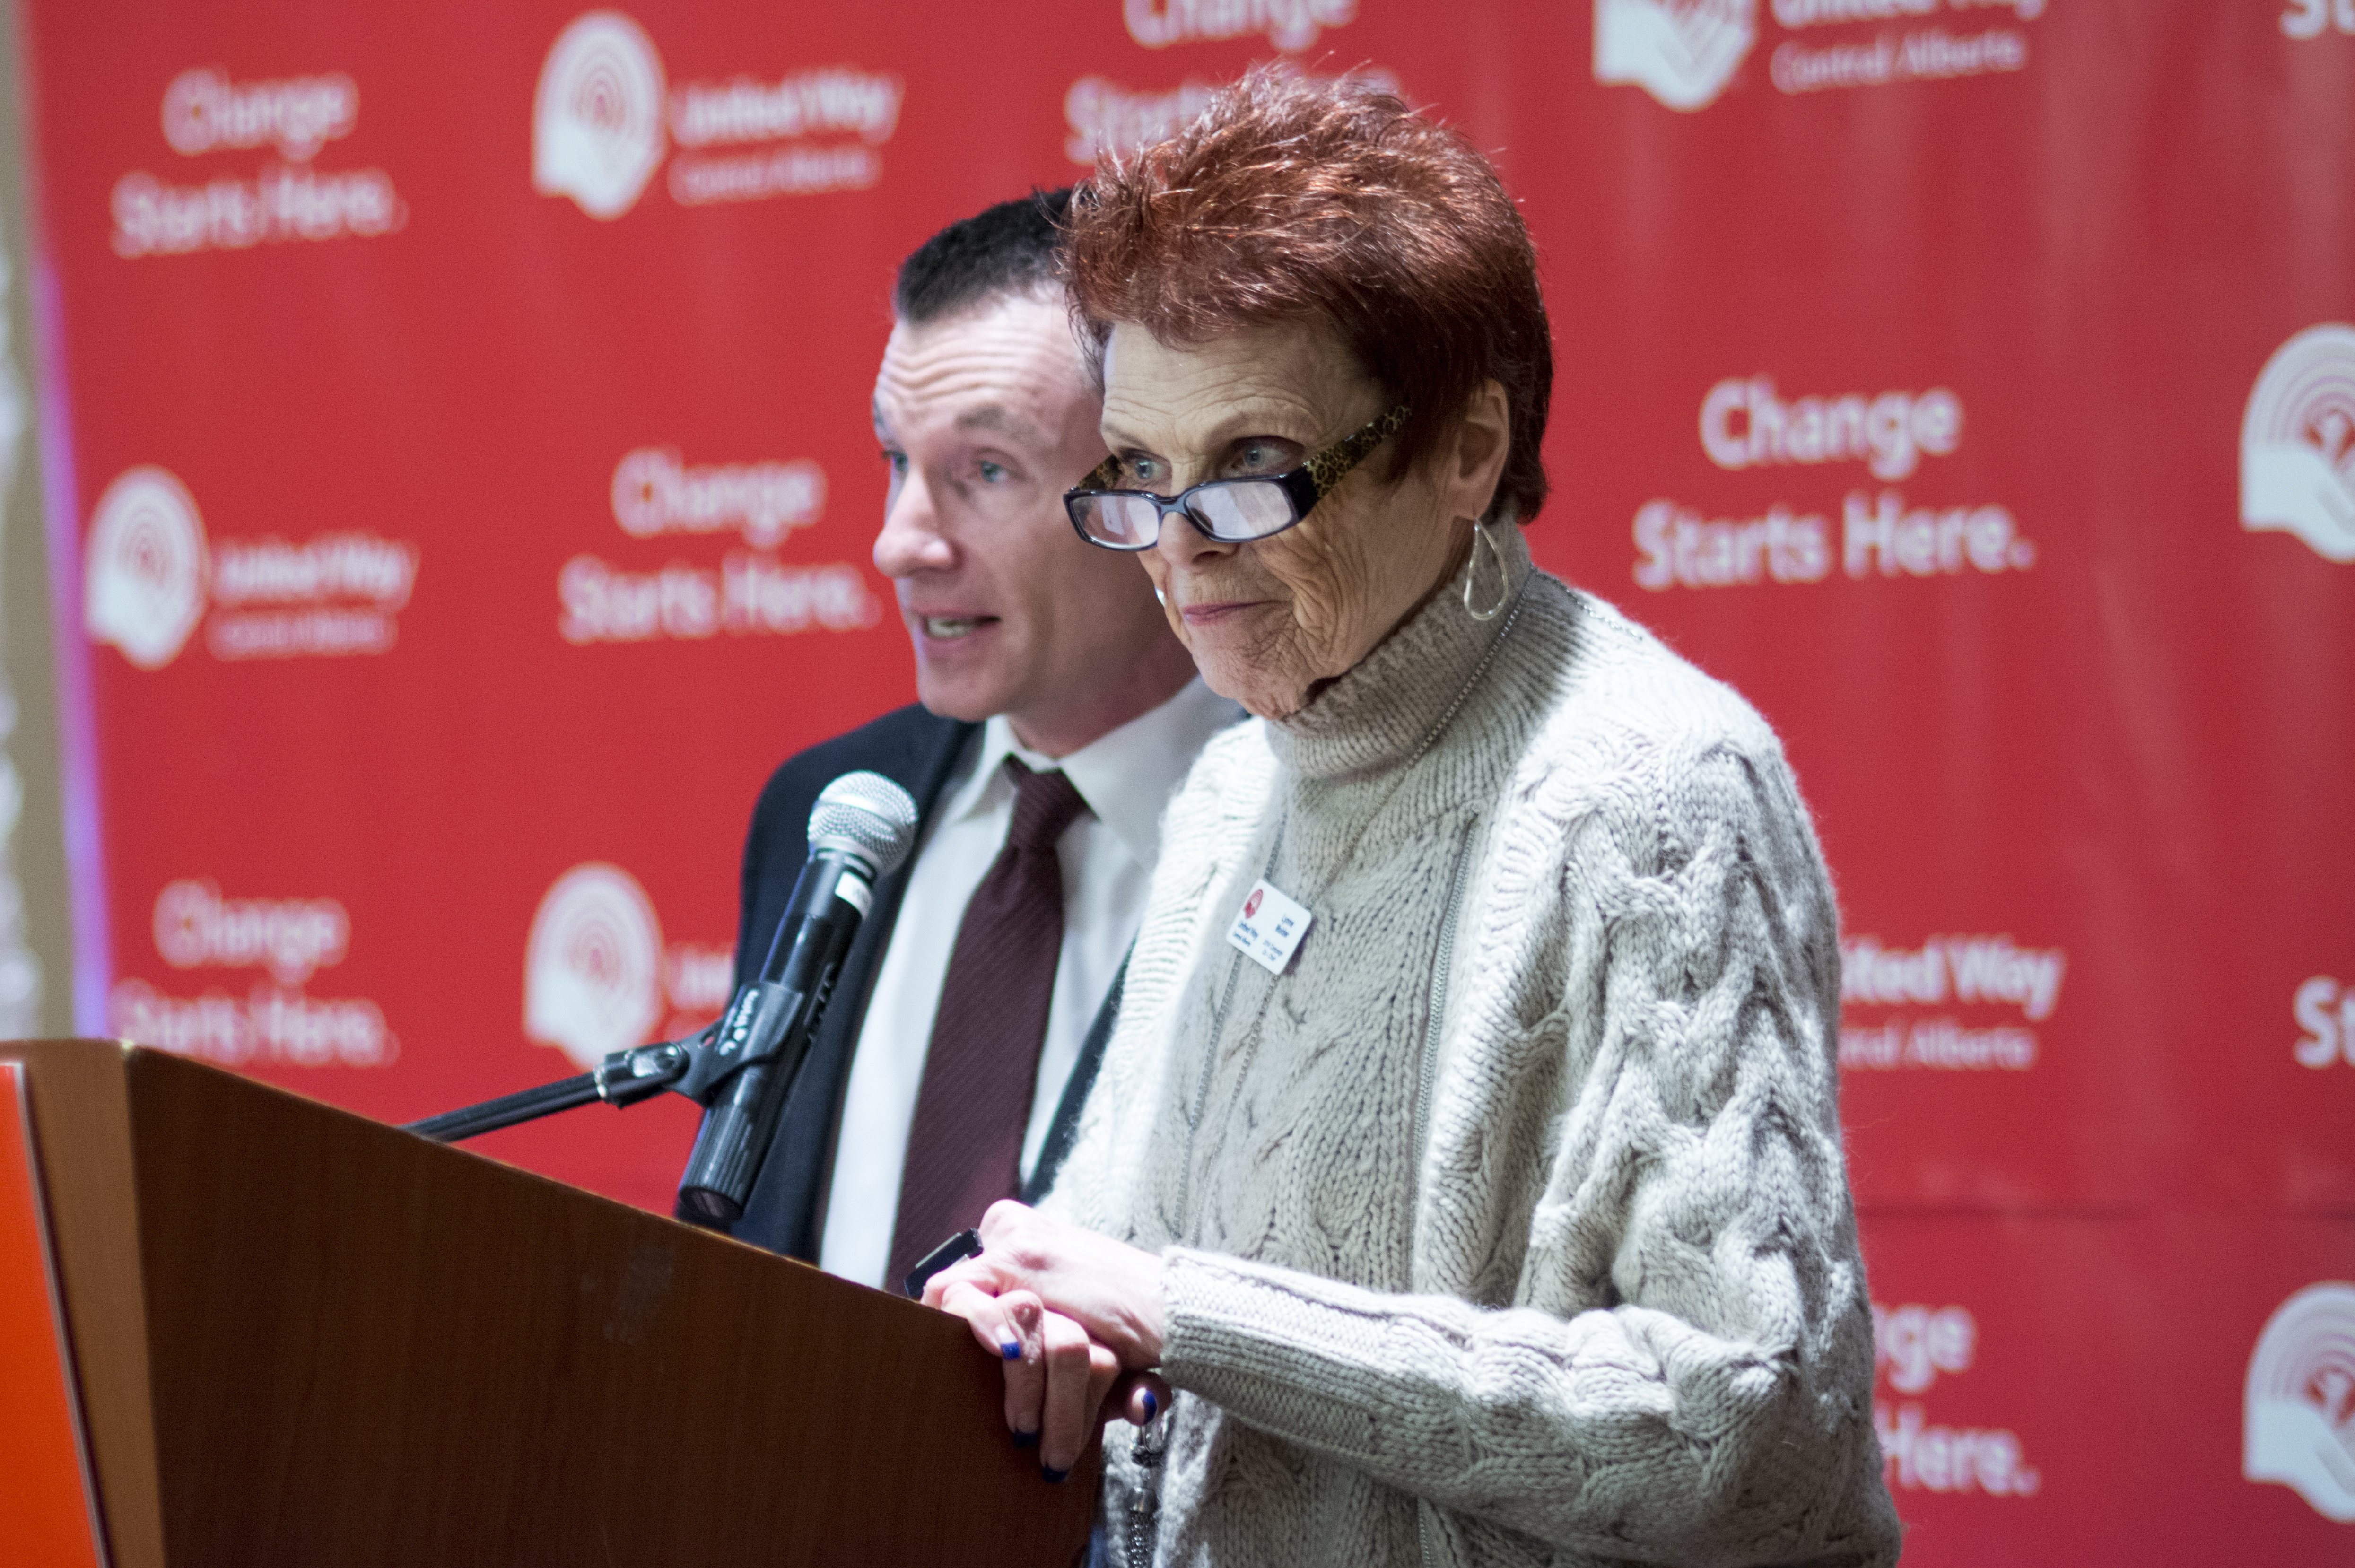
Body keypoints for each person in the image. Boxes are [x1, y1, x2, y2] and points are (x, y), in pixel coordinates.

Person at [925, 75, 1902, 1567]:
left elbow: (1752, 1424)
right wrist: (1038, 1312)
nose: (1177, 551)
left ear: (1463, 447)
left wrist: (1189, 1316)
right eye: (1138, 473)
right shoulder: (1231, 784)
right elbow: (1115, 1253)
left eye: (1249, 470)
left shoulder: (1654, 789)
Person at [724, 192, 1234, 1293]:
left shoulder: (1313, 834)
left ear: (1153, 484)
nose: (899, 541)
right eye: (894, 460)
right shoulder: (825, 813)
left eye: (986, 471)